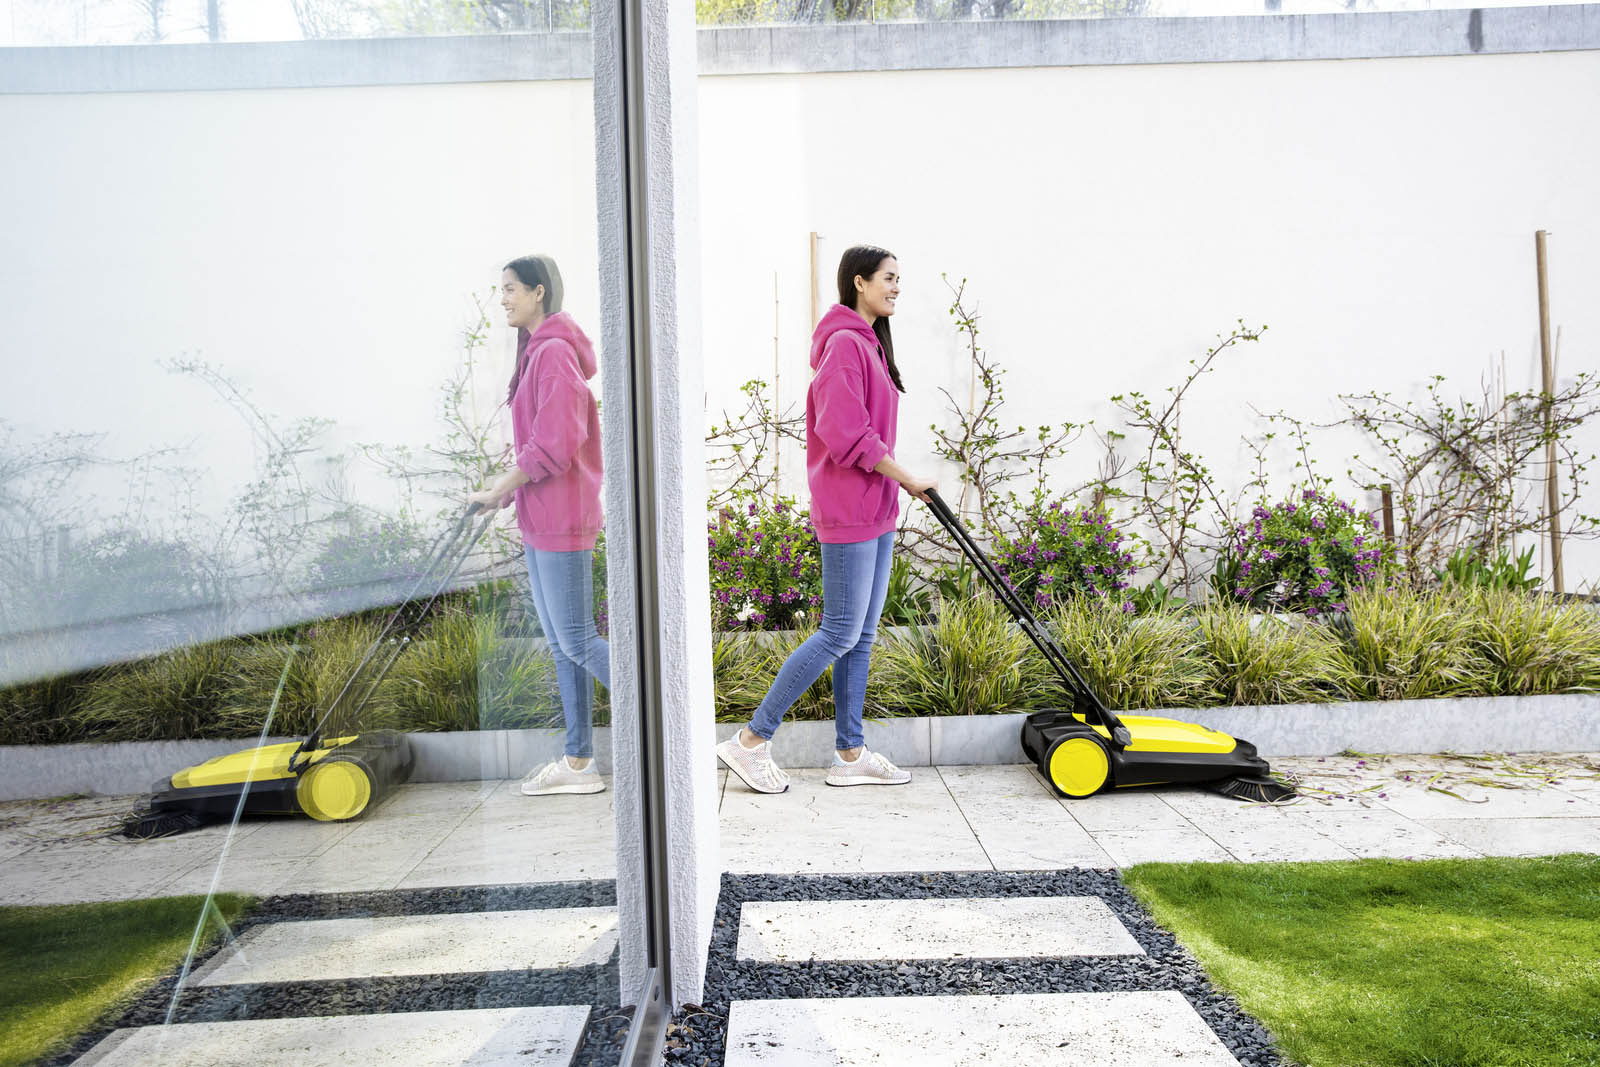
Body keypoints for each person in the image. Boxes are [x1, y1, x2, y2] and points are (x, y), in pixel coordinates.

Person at [715, 245, 936, 794]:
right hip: (849, 510)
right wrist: (906, 477)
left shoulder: (870, 344)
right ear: (859, 282)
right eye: (888, 278)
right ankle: (750, 741)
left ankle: (850, 753)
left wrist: (897, 485)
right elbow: (845, 434)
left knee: (860, 637)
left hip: (876, 508)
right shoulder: (843, 345)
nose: (896, 287)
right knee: (839, 632)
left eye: (899, 279)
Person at [469, 254, 610, 797]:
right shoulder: (537, 352)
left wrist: (502, 486)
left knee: (578, 641)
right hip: (541, 518)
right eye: (501, 289)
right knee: (563, 645)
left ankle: (664, 719)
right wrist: (505, 493)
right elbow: (539, 444)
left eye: (510, 289)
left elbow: (557, 441)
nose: (503, 299)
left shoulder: (552, 353)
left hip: (562, 520)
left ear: (538, 292)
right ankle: (578, 762)